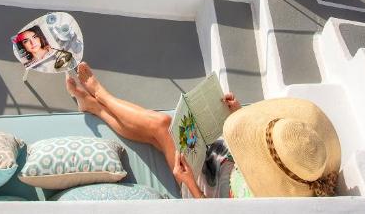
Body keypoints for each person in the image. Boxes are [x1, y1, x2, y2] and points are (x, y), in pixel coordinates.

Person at [66, 62, 340, 199]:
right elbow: (255, 147)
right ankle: (93, 105)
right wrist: (237, 113)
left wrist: (188, 183)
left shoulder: (265, 202)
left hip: (203, 185)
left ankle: (99, 96)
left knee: (162, 128)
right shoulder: (300, 165)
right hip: (223, 157)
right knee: (161, 132)